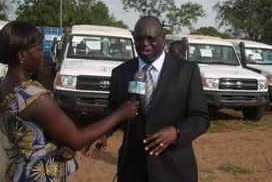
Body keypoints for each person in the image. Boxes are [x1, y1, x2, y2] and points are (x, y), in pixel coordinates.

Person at [0, 21, 140, 181]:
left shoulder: (2, 87)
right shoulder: (34, 97)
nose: (43, 54)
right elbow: (77, 139)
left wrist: (61, 144)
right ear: (22, 55)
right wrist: (120, 114)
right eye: (39, 50)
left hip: (18, 172)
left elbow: (33, 133)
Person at [81, 16, 211, 182]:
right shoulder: (121, 73)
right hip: (133, 167)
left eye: (151, 39)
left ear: (163, 38)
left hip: (173, 167)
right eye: (139, 39)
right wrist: (102, 132)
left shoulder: (187, 71)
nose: (144, 43)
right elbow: (112, 113)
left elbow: (201, 118)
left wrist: (176, 131)